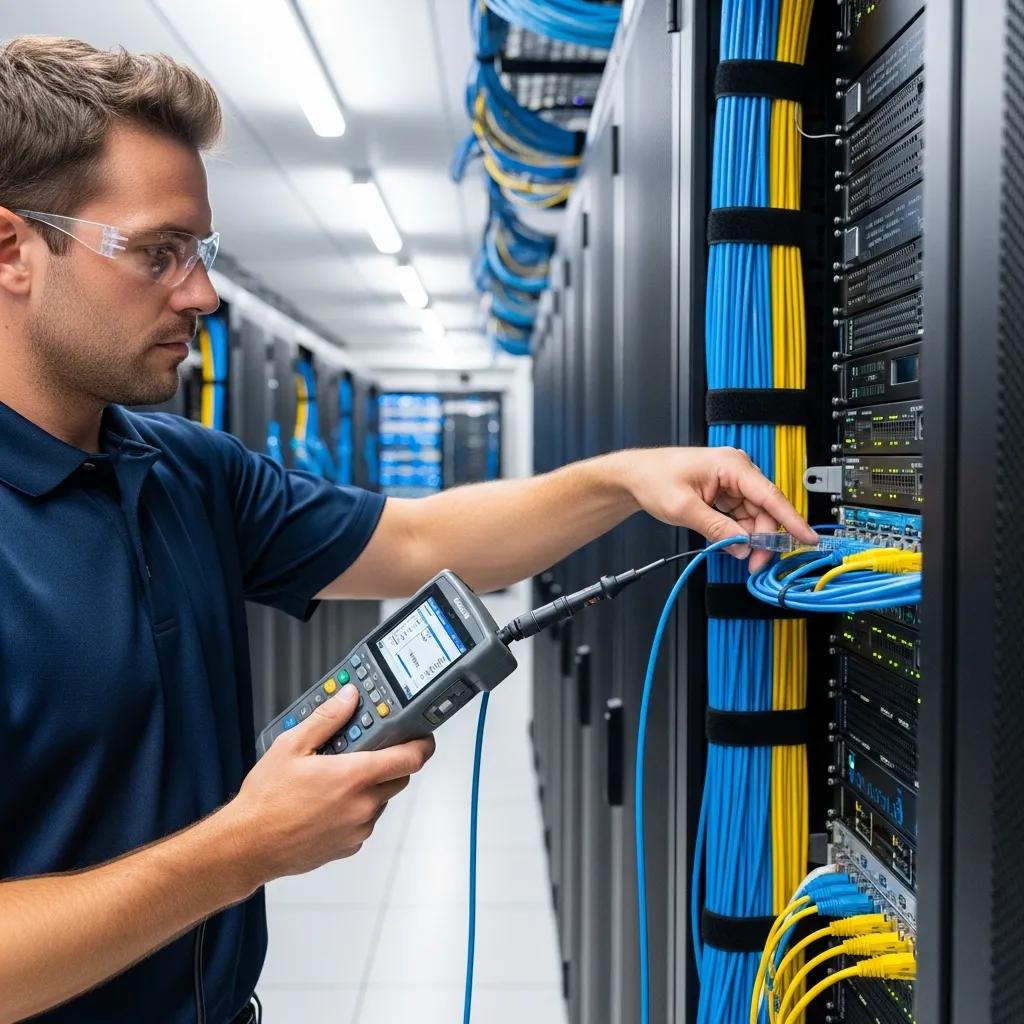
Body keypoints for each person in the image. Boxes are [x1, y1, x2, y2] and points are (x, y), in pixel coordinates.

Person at [0, 35, 817, 1024]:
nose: (202, 294)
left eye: (200, 253)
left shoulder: (181, 469)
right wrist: (244, 848)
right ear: (12, 249)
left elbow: (421, 541)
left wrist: (624, 479)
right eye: (156, 252)